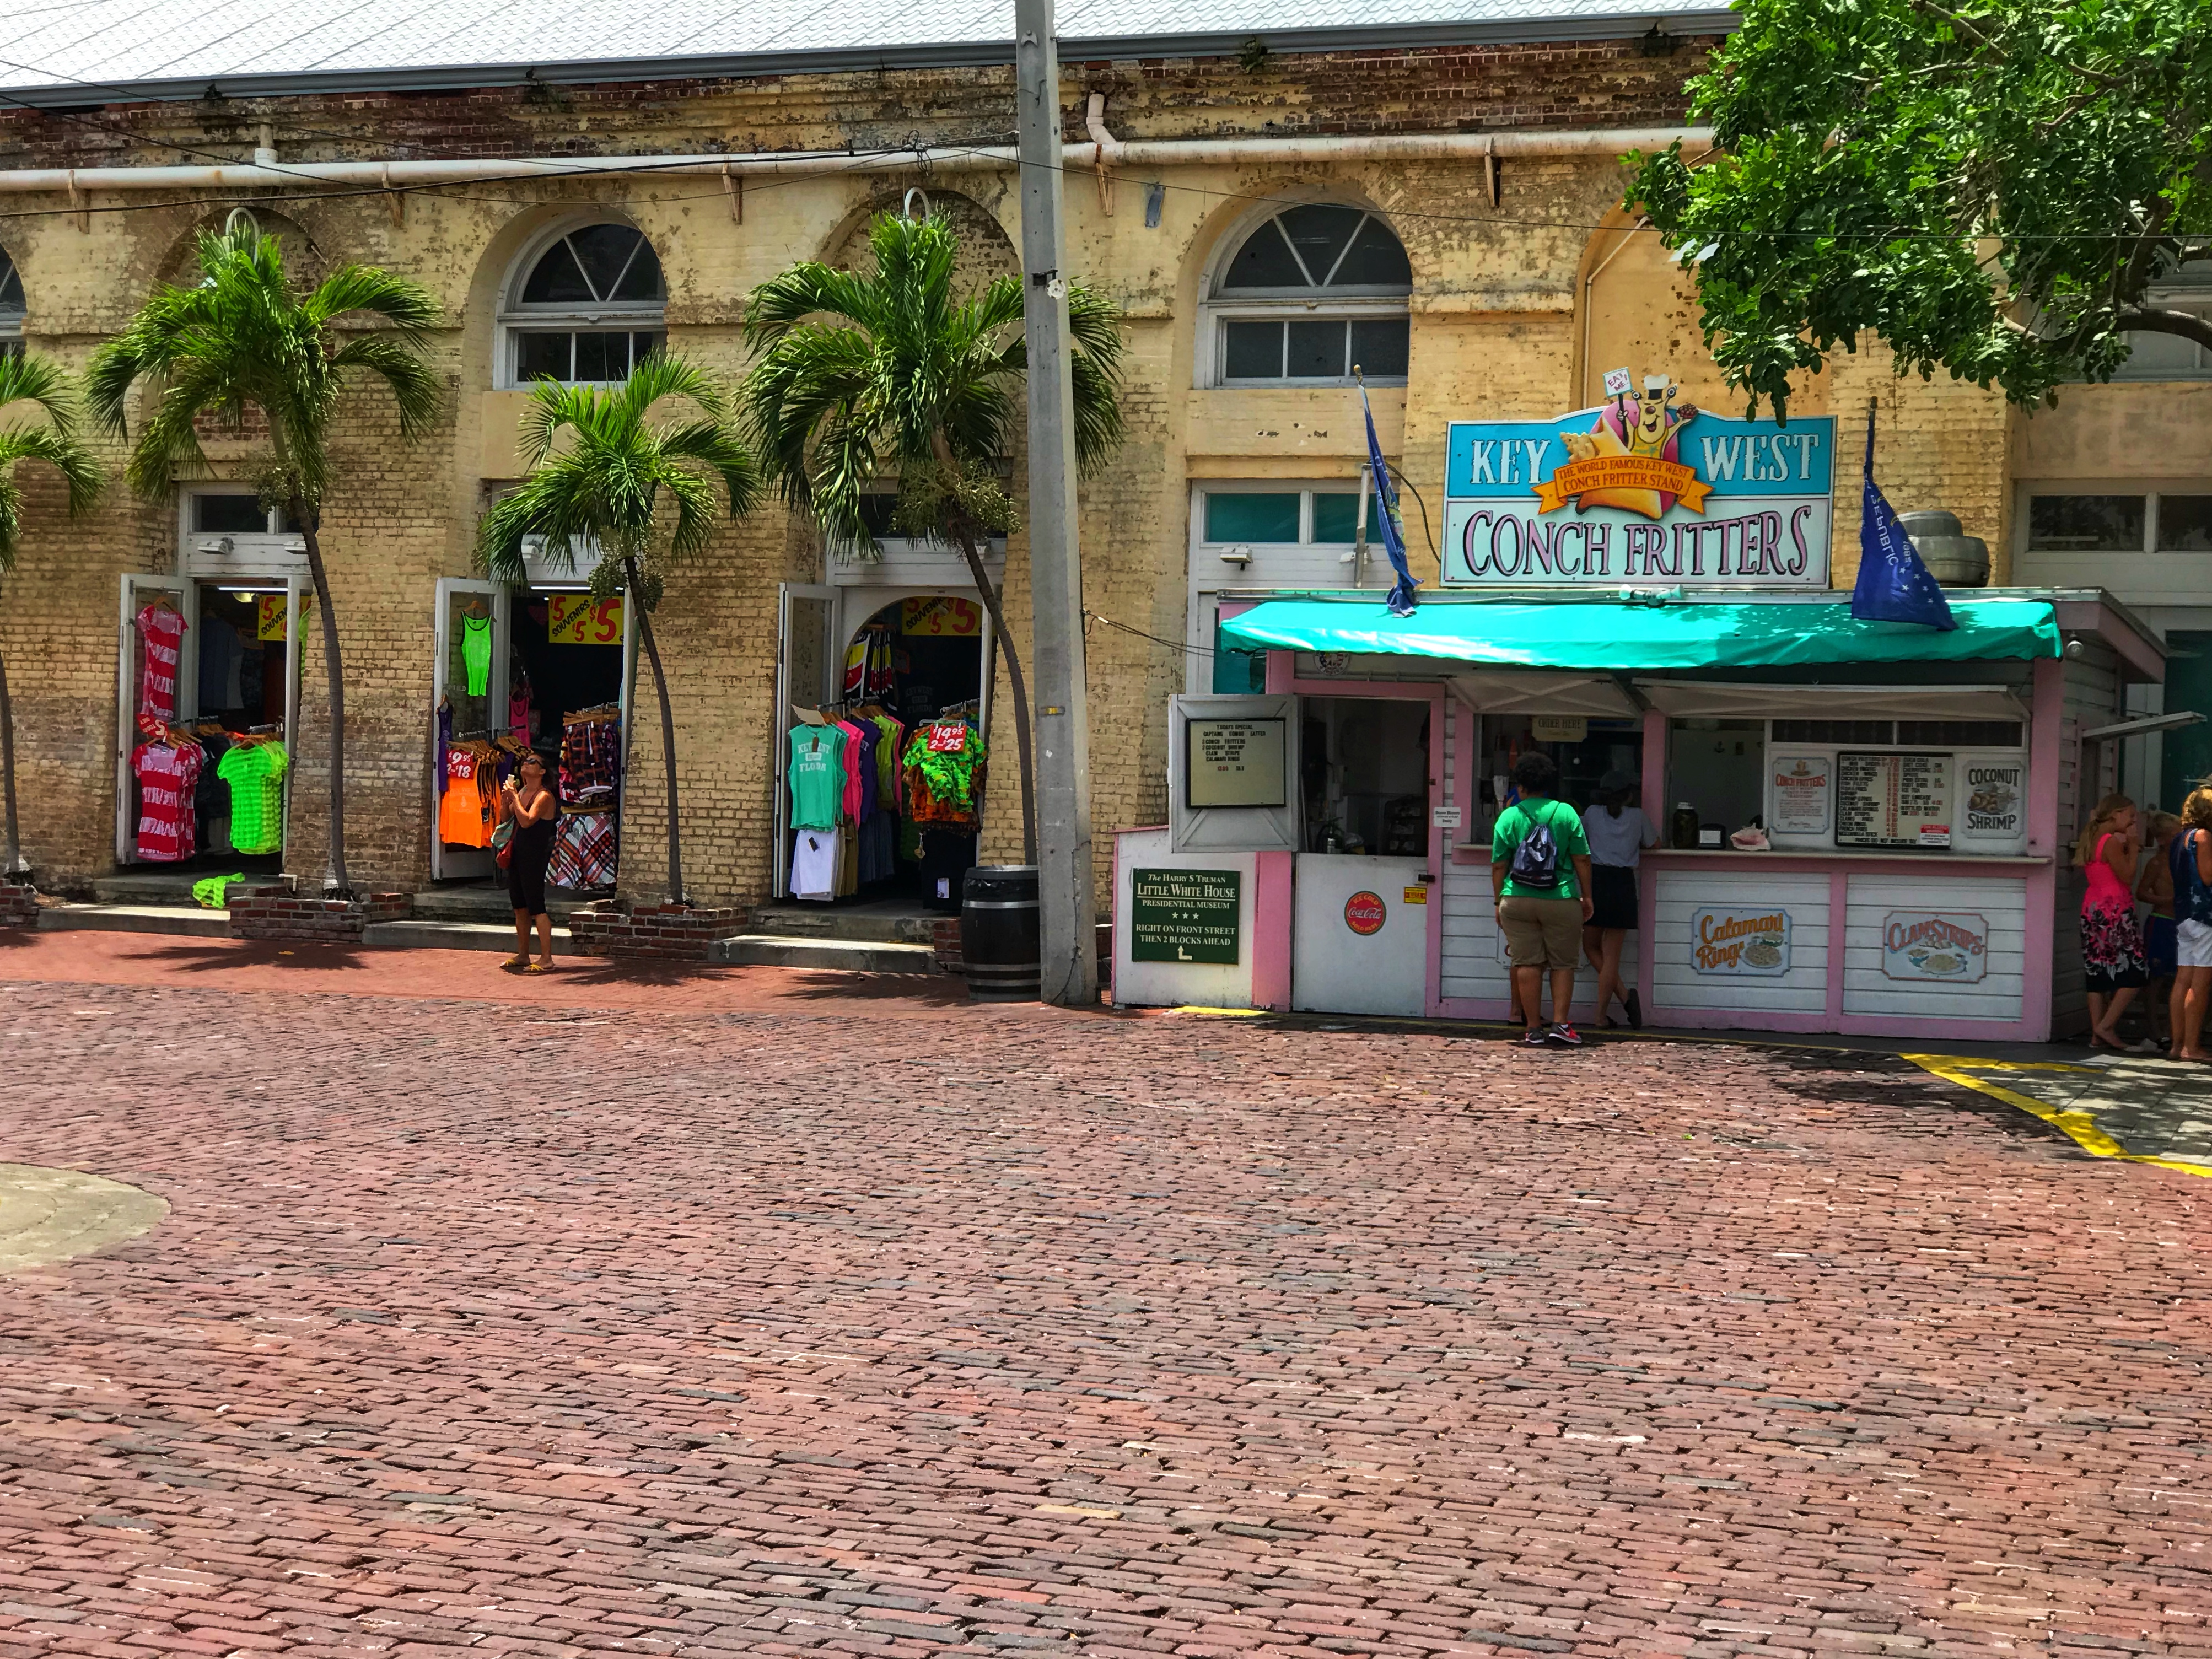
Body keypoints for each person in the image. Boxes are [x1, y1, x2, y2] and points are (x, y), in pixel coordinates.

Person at [1491, 749, 1594, 1048]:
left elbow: (1499, 864)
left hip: (1518, 898)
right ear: (1548, 783)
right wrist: (1586, 896)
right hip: (1561, 897)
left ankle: (1533, 1029)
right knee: (1563, 964)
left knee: (1527, 963)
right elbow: (1583, 860)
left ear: (1520, 786)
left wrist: (1499, 900)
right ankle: (1560, 1025)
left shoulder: (1508, 816)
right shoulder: (1566, 813)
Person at [1581, 767, 1657, 1029]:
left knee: (1590, 945)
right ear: (1628, 795)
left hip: (1597, 880)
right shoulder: (1638, 817)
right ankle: (1606, 1011)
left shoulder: (1591, 814)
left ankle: (1624, 998)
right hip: (1623, 883)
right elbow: (1653, 843)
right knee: (1612, 954)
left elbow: (1577, 839)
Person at [2075, 792, 2150, 1051]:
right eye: (2130, 817)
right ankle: (2106, 1026)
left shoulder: (2092, 838)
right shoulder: (2110, 842)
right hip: (2115, 911)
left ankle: (2097, 1034)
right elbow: (2128, 876)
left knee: (2097, 972)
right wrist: (2134, 846)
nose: (2132, 823)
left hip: (2093, 909)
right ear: (2115, 814)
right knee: (2136, 971)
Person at [502, 750, 559, 974]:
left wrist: (515, 799)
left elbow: (527, 821)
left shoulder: (544, 796)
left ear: (542, 771)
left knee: (537, 907)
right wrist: (506, 800)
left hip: (535, 854)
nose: (526, 764)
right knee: (519, 907)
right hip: (517, 852)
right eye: (525, 761)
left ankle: (546, 958)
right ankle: (523, 954)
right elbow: (505, 819)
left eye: (532, 762)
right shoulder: (523, 790)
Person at [2171, 787, 2212, 1062]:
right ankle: (2191, 1047)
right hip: (2205, 915)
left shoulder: (2180, 838)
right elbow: (2208, 877)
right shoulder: (2204, 836)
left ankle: (2176, 1045)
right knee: (2201, 982)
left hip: (2184, 914)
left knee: (2182, 980)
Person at [2137, 810, 2182, 1049]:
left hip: (2183, 924)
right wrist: (2168, 900)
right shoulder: (2157, 863)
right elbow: (2142, 892)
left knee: (2180, 977)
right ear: (2163, 839)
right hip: (2161, 922)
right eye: (2176, 834)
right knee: (2155, 979)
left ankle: (2173, 1029)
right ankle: (2154, 1030)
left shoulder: (2187, 860)